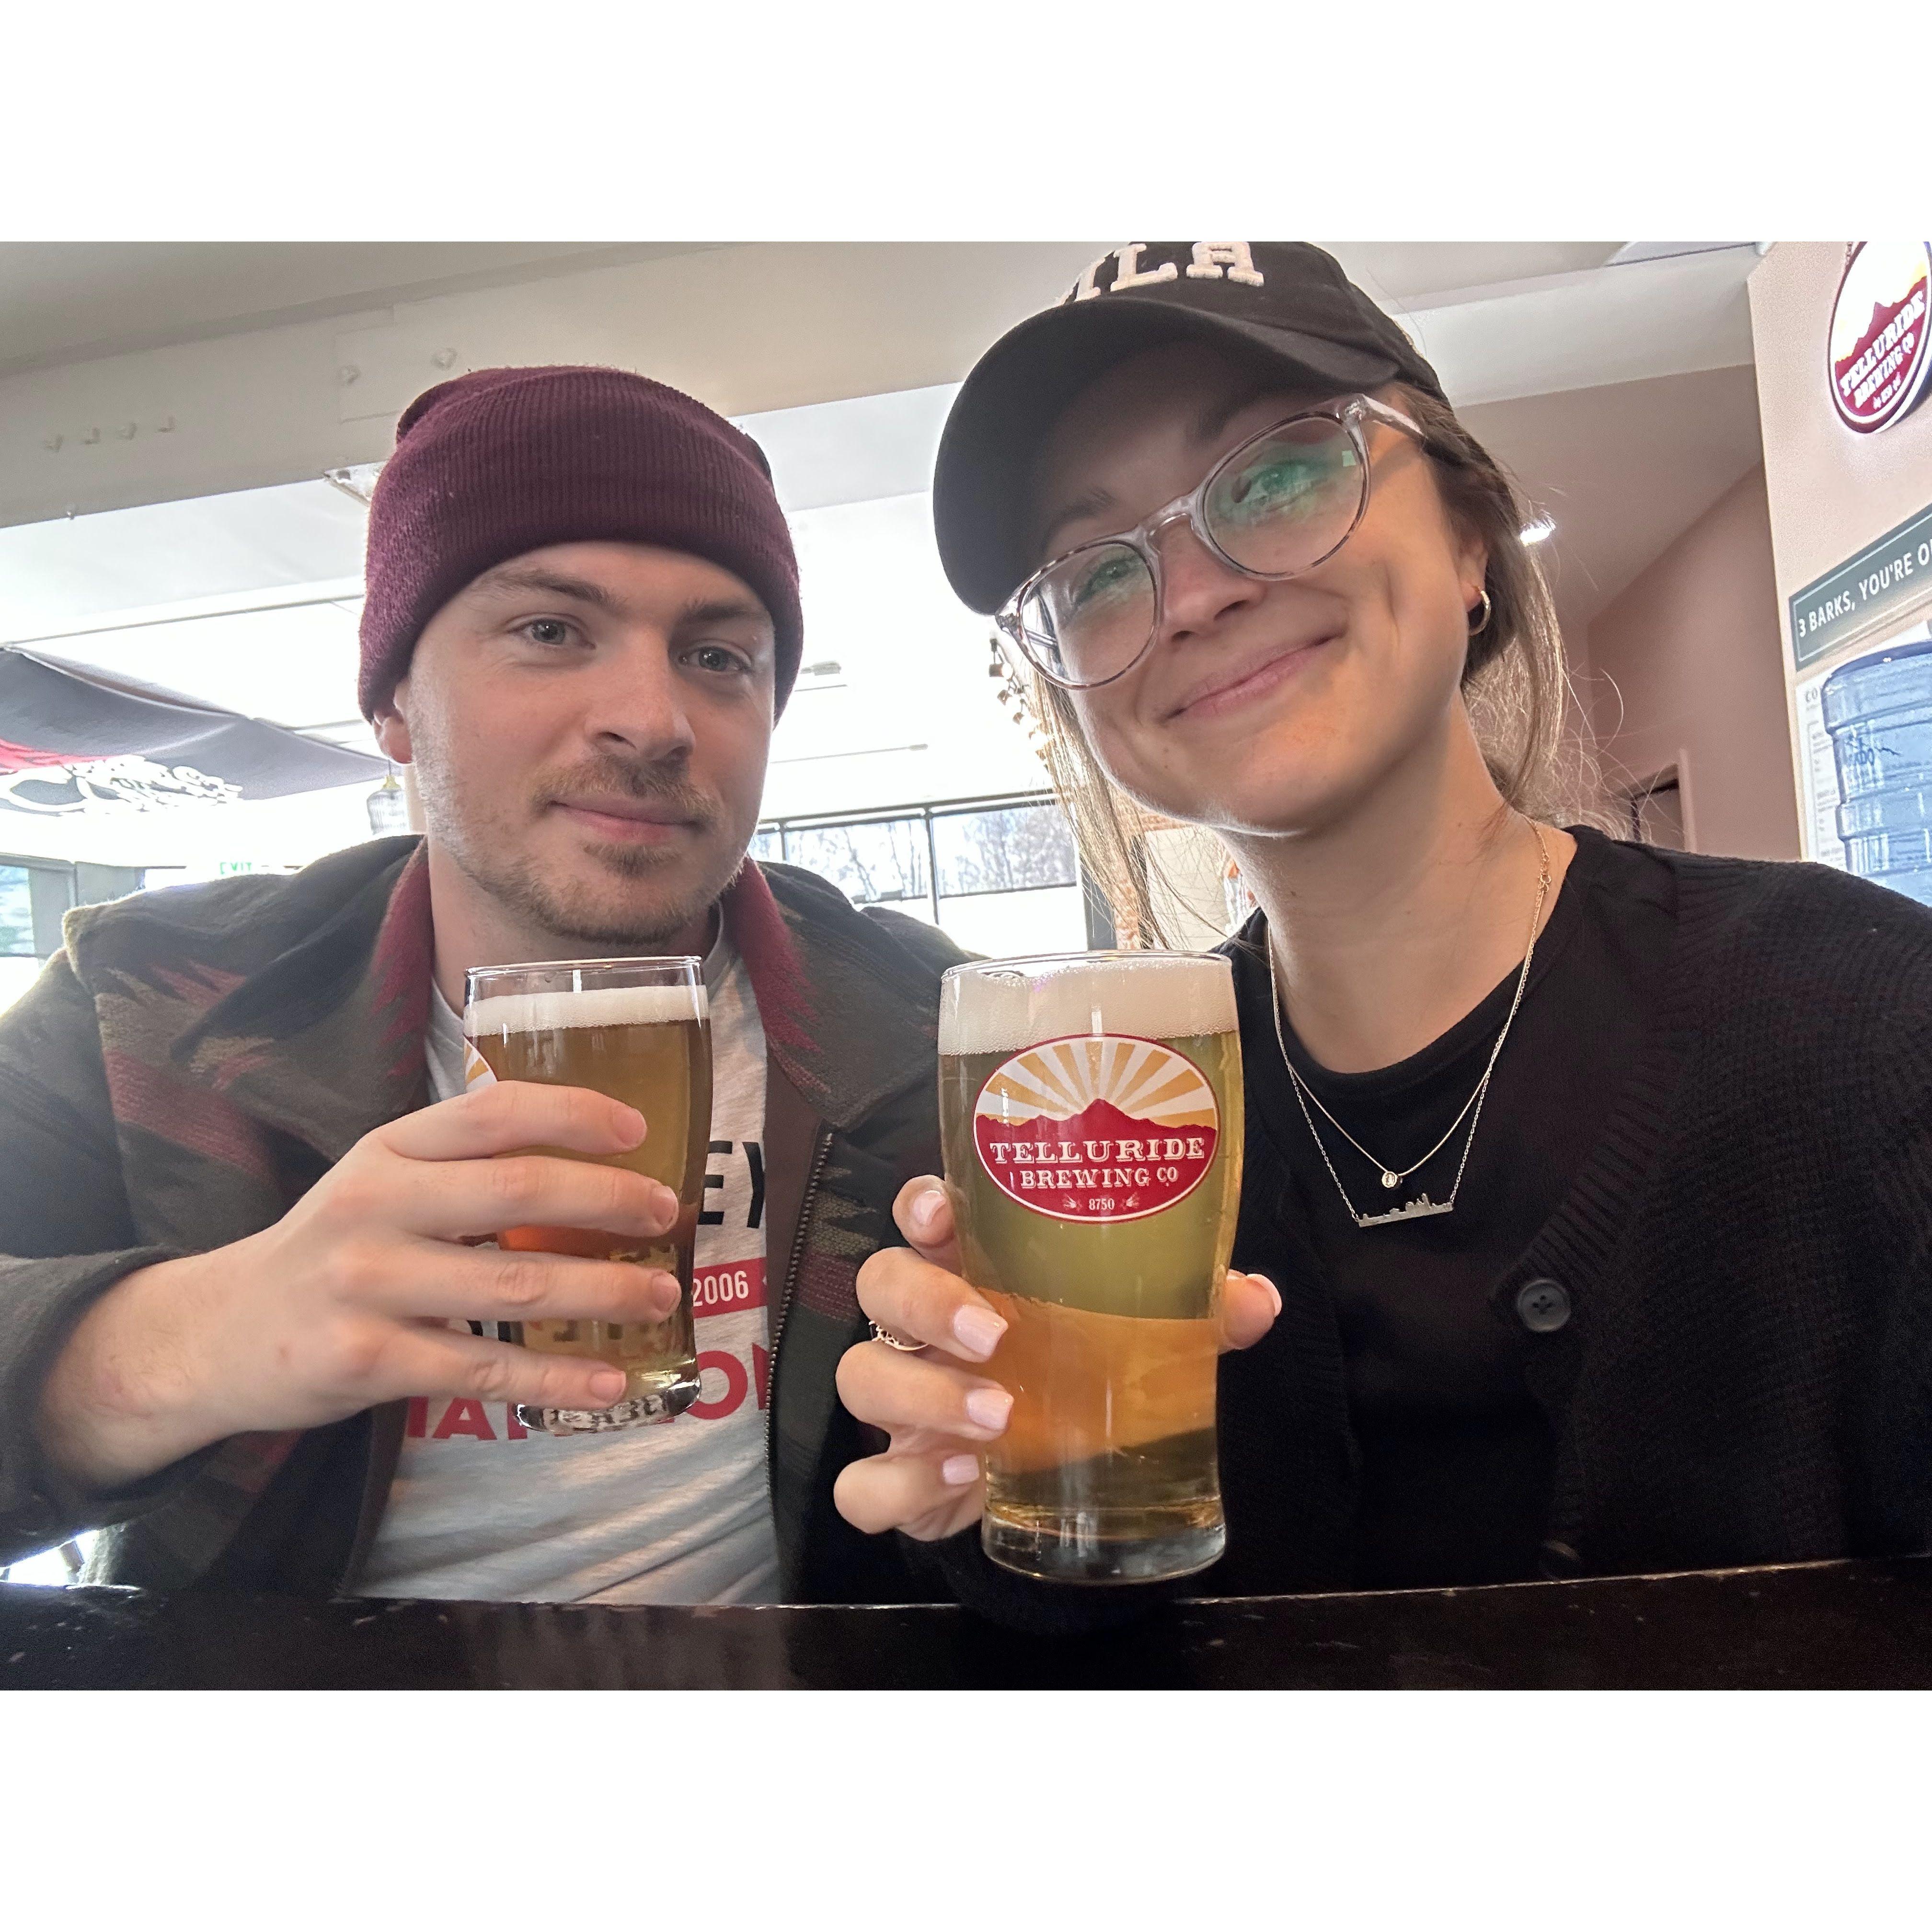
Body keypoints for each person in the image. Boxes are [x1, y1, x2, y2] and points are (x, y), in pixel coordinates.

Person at [837, 242, 1932, 1593]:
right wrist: (998, 1519)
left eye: (1277, 476)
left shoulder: (1871, 1030)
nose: (1195, 596)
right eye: (1092, 573)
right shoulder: (1097, 1136)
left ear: (1470, 537)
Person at [0, 362, 1096, 1612]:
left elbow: (1009, 1526)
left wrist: (994, 1486)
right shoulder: (151, 1004)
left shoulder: (929, 1023)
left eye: (719, 656)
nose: (651, 718)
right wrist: (189, 1337)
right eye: (550, 631)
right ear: (396, 705)